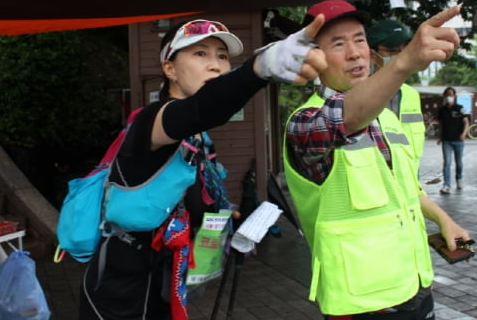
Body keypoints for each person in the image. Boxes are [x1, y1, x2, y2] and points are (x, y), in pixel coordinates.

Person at [79, 18, 326, 319]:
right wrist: (258, 68)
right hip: (119, 290)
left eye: (222, 56)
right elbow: (202, 108)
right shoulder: (152, 122)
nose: (215, 65)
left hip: (165, 282)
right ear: (169, 69)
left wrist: (224, 218)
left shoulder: (200, 139)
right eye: (200, 54)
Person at [283, 0, 471, 319]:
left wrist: (443, 219)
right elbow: (344, 119)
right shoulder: (304, 124)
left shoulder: (387, 118)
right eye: (338, 43)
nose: (356, 52)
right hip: (361, 305)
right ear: (312, 57)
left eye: (359, 39)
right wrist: (404, 62)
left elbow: (405, 187)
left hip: (415, 286)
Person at [366, 19, 426, 172]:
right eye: (392, 51)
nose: (400, 56)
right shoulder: (358, 96)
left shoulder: (411, 95)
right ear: (372, 54)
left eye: (404, 50)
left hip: (410, 181)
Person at [436, 86, 470, 194]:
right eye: (446, 95)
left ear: (454, 96)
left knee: (459, 163)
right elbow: (441, 124)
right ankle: (446, 185)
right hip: (446, 141)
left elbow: (466, 122)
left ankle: (459, 178)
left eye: (450, 95)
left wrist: (464, 134)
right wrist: (440, 136)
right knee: (447, 163)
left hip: (458, 140)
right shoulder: (442, 110)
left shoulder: (460, 108)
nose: (448, 97)